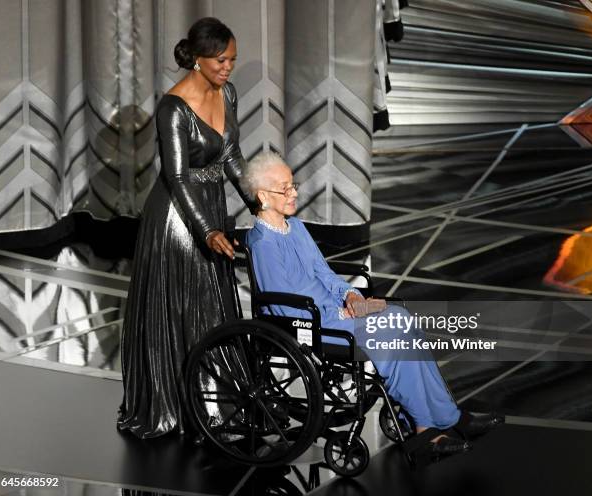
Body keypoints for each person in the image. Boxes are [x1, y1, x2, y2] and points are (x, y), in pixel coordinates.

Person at [243, 151, 503, 458]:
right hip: (312, 324)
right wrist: (336, 311)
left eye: (293, 184)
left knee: (404, 321)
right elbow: (284, 308)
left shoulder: (295, 227)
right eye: (285, 188)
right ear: (263, 196)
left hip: (334, 312)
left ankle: (448, 417)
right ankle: (426, 430)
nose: (295, 193)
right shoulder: (262, 244)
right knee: (393, 337)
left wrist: (349, 295)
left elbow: (323, 273)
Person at [117, 18, 252, 439]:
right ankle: (184, 404)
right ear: (197, 59)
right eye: (220, 60)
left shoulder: (226, 92)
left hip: (210, 207)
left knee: (214, 307)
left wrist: (260, 203)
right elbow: (176, 177)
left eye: (231, 59)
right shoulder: (171, 108)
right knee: (188, 307)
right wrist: (208, 230)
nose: (228, 67)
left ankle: (217, 398)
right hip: (177, 218)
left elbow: (232, 157)